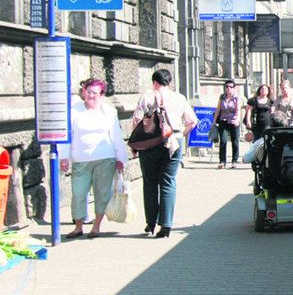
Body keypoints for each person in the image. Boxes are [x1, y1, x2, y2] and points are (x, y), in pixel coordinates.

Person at [131, 69, 198, 238]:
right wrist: (180, 134)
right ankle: (166, 225)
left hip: (150, 144)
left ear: (154, 82)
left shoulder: (147, 97)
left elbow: (136, 120)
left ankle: (151, 223)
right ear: (170, 82)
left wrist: (135, 145)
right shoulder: (179, 98)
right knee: (168, 182)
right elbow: (192, 121)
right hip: (174, 142)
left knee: (150, 182)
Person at [58, 78, 128, 239]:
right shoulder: (73, 110)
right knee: (78, 194)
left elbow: (116, 136)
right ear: (83, 92)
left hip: (105, 158)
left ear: (101, 94)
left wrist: (120, 159)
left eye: (95, 93)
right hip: (80, 160)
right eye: (88, 92)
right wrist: (64, 157)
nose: (91, 96)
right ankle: (78, 226)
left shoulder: (109, 112)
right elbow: (68, 136)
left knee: (102, 193)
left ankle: (96, 227)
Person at [213, 79, 242, 169]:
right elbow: (218, 109)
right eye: (227, 87)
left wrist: (237, 119)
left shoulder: (237, 97)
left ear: (234, 88)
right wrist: (214, 120)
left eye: (230, 87)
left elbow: (238, 109)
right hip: (223, 121)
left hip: (233, 121)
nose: (228, 88)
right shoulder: (222, 97)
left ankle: (234, 161)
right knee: (223, 141)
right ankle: (222, 161)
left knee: (235, 141)